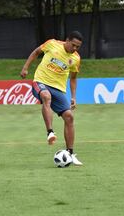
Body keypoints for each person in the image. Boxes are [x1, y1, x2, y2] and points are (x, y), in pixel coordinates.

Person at [20, 31, 83, 166]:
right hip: (40, 82)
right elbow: (36, 52)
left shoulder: (76, 58)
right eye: (73, 45)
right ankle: (50, 132)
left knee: (69, 117)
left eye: (78, 47)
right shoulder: (52, 44)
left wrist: (73, 97)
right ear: (67, 40)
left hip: (58, 89)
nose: (75, 49)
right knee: (46, 96)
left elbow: (73, 79)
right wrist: (25, 68)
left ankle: (70, 154)